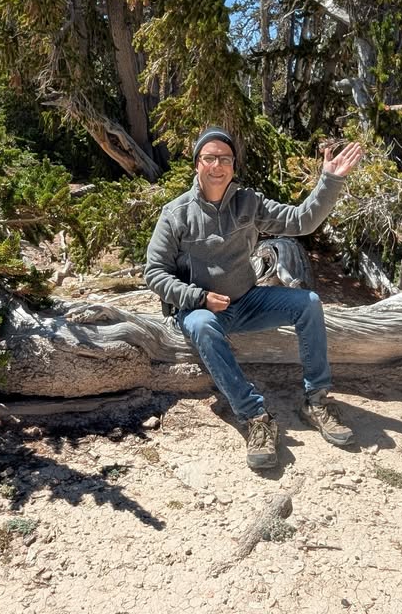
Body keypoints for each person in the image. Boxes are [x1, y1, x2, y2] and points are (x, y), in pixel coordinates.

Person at [144, 125, 364, 469]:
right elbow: (154, 273)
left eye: (225, 159)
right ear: (197, 164)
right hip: (199, 308)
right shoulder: (176, 214)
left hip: (247, 301)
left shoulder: (248, 202)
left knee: (308, 304)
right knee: (201, 326)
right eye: (209, 158)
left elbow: (301, 221)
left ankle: (316, 401)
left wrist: (330, 181)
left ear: (233, 165)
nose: (217, 165)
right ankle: (255, 417)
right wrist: (198, 297)